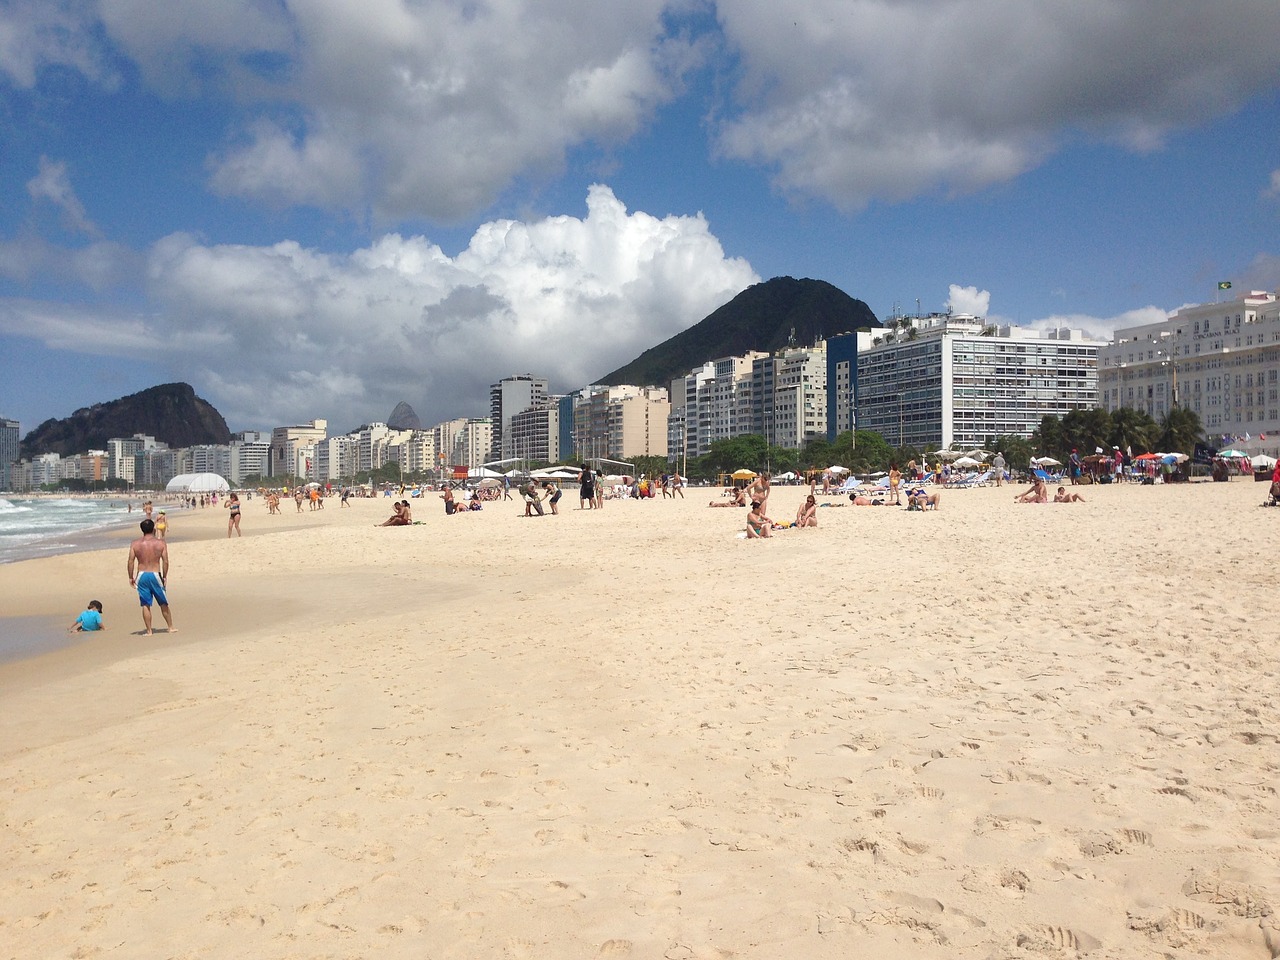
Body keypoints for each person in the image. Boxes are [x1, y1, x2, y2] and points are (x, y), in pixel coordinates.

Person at [128, 519, 175, 636]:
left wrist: (130, 577)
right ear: (153, 528)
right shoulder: (161, 543)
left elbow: (130, 561)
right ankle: (170, 627)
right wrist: (165, 576)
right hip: (155, 574)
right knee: (163, 602)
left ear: (142, 529)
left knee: (145, 604)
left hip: (141, 574)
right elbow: (165, 561)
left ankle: (149, 631)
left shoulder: (135, 543)